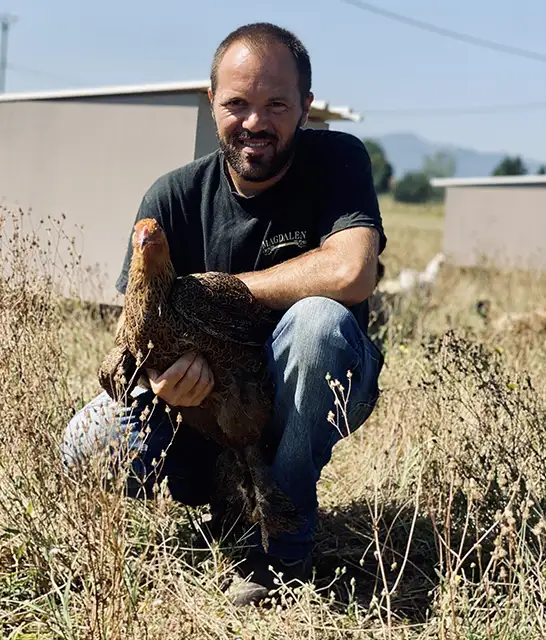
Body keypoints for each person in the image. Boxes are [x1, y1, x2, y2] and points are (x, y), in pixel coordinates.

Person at [62, 21, 387, 606]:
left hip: (305, 384)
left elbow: (351, 271)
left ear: (306, 105)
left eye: (276, 105)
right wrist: (159, 380)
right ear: (211, 101)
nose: (255, 122)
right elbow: (136, 324)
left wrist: (221, 291)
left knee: (318, 325)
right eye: (237, 103)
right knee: (87, 443)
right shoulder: (173, 196)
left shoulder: (337, 160)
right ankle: (225, 495)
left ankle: (282, 544)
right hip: (209, 402)